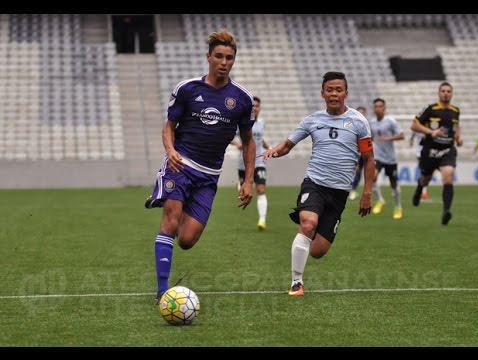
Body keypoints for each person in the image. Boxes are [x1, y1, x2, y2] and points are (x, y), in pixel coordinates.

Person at [144, 29, 256, 302]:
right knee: (170, 222)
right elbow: (169, 127)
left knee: (187, 240)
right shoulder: (187, 89)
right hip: (180, 164)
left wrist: (249, 180)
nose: (224, 62)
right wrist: (170, 151)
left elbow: (249, 141)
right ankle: (162, 292)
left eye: (229, 57)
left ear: (234, 60)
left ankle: (176, 203)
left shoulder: (242, 99)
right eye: (218, 56)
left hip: (208, 176)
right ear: (208, 56)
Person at [263, 72, 375, 297]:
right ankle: (296, 282)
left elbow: (369, 159)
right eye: (330, 90)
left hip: (340, 193)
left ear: (346, 93)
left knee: (318, 251)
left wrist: (367, 193)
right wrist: (275, 150)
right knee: (307, 223)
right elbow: (288, 144)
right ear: (322, 93)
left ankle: (307, 236)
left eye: (339, 90)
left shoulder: (359, 122)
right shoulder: (312, 120)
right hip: (314, 183)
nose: (334, 94)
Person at [411, 82, 462, 225]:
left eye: (448, 91)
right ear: (439, 93)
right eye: (443, 91)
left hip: (447, 150)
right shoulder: (431, 109)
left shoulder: (455, 110)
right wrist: (431, 132)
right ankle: (420, 188)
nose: (446, 93)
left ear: (451, 94)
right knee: (425, 179)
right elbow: (414, 125)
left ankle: (446, 211)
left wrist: (458, 138)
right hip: (430, 151)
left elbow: (457, 126)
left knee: (448, 176)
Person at [230, 96, 271, 230]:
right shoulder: (243, 123)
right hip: (244, 164)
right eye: (252, 106)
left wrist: (269, 148)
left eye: (257, 106)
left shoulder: (262, 123)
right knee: (244, 193)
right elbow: (230, 136)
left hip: (259, 162)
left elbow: (260, 139)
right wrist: (238, 144)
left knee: (260, 189)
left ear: (260, 108)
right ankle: (240, 184)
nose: (255, 108)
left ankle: (262, 220)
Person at [369, 98, 405, 219]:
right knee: (372, 177)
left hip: (390, 159)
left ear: (384, 108)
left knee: (393, 185)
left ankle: (398, 207)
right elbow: (371, 137)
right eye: (376, 106)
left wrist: (389, 138)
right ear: (374, 109)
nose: (378, 108)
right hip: (378, 157)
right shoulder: (372, 122)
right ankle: (380, 200)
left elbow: (402, 136)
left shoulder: (390, 121)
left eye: (380, 106)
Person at [348, 106, 367, 201]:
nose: (360, 115)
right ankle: (350, 190)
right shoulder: (349, 123)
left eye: (362, 112)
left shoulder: (367, 125)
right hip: (353, 152)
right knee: (354, 170)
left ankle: (353, 190)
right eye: (359, 112)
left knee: (359, 171)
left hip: (363, 152)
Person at [409, 131, 430, 201]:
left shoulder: (428, 125)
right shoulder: (417, 127)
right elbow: (412, 137)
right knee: (424, 171)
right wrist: (411, 142)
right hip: (420, 153)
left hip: (428, 151)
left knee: (425, 172)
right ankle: (423, 192)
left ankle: (423, 191)